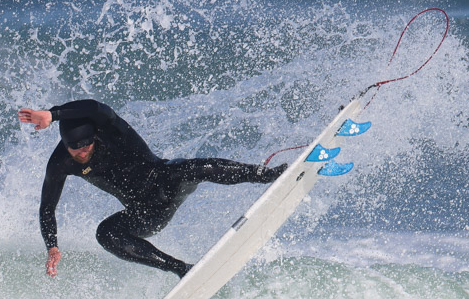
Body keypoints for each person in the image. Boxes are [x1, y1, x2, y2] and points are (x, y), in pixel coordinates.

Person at [18, 99, 286, 278]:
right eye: (76, 147)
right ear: (65, 144)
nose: (83, 150)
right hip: (144, 214)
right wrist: (51, 246)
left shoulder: (110, 129)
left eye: (87, 143)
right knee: (106, 234)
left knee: (190, 168)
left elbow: (95, 107)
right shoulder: (60, 163)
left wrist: (53, 114)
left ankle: (266, 175)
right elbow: (47, 208)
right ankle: (181, 269)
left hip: (164, 182)